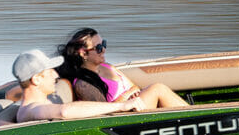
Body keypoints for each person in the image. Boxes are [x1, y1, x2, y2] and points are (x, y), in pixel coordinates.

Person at [11, 49, 188, 122]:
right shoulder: (33, 109)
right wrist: (122, 105)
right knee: (157, 89)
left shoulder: (30, 107)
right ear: (36, 79)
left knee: (156, 89)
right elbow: (64, 111)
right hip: (107, 131)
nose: (55, 75)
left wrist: (1, 122)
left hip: (103, 128)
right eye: (49, 71)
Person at [58, 27, 190, 109]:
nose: (103, 50)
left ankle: (192, 115)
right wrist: (128, 97)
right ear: (83, 53)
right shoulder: (84, 84)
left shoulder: (108, 67)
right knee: (157, 89)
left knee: (157, 88)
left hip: (135, 105)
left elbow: (134, 86)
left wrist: (134, 94)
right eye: (98, 47)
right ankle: (194, 117)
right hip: (123, 116)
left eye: (104, 44)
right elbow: (104, 112)